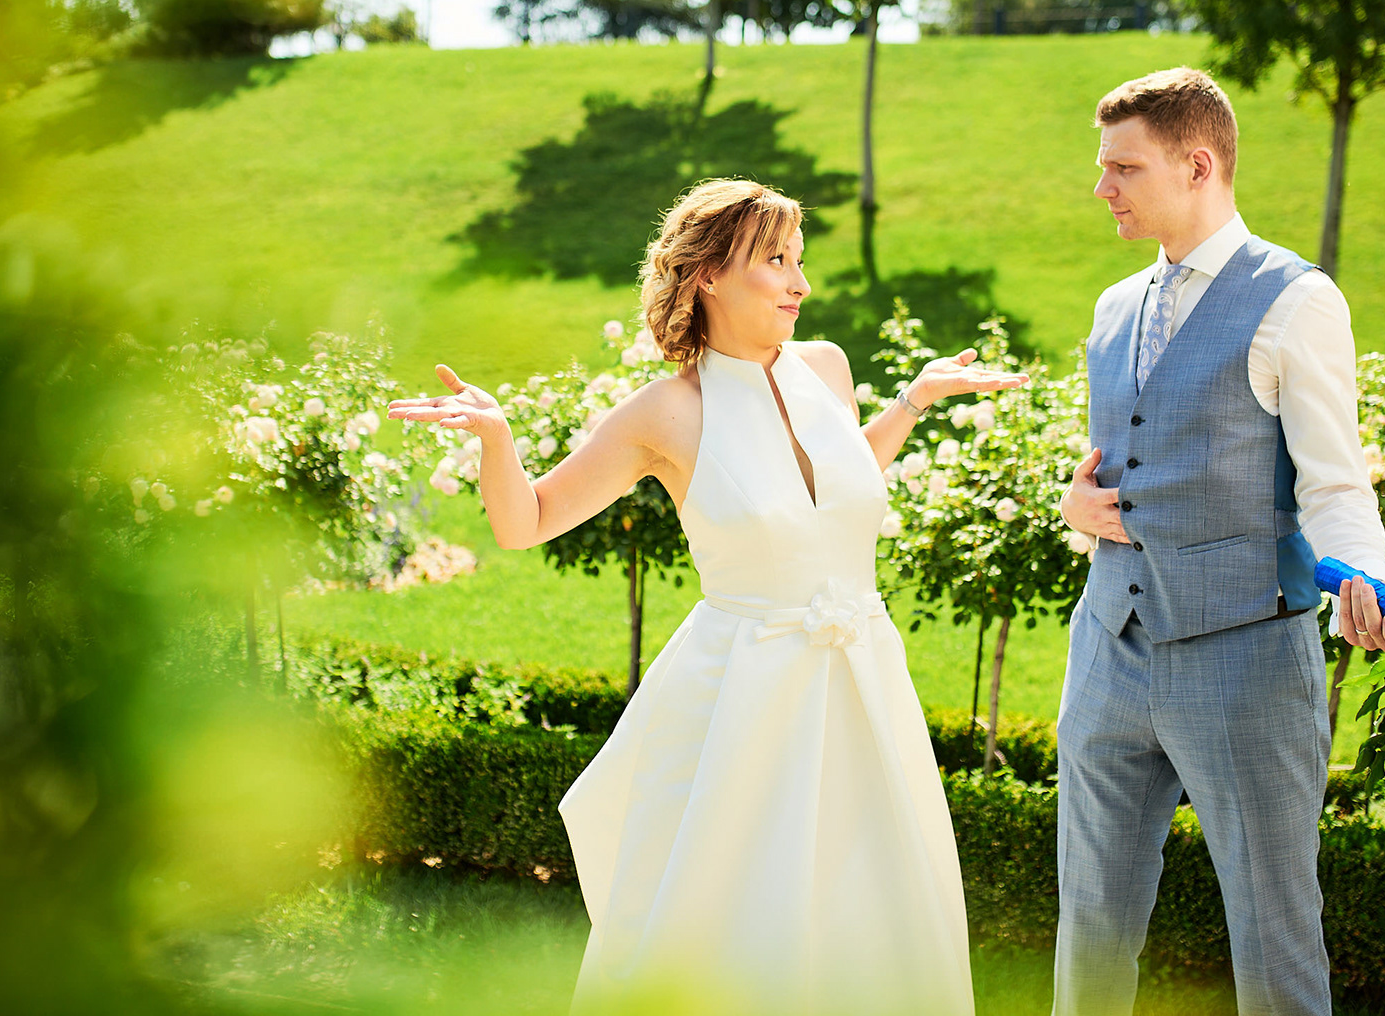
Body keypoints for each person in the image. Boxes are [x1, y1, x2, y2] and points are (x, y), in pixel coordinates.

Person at [388, 179, 1024, 1015]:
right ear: (709, 275)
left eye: (800, 260)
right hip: (745, 701)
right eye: (776, 261)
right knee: (737, 925)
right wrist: (497, 438)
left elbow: (833, 491)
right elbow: (526, 521)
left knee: (875, 914)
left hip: (865, 681)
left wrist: (913, 401)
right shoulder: (664, 413)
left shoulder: (827, 367)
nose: (800, 283)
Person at [1053, 68, 1385, 1016]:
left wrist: (1365, 582)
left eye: (1125, 168)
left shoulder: (1297, 300)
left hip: (1245, 660)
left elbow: (1334, 479)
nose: (1102, 187)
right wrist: (1075, 504)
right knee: (1089, 932)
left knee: (1273, 940)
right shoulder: (1114, 307)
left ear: (1198, 165)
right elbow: (1127, 458)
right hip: (1108, 650)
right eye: (1104, 166)